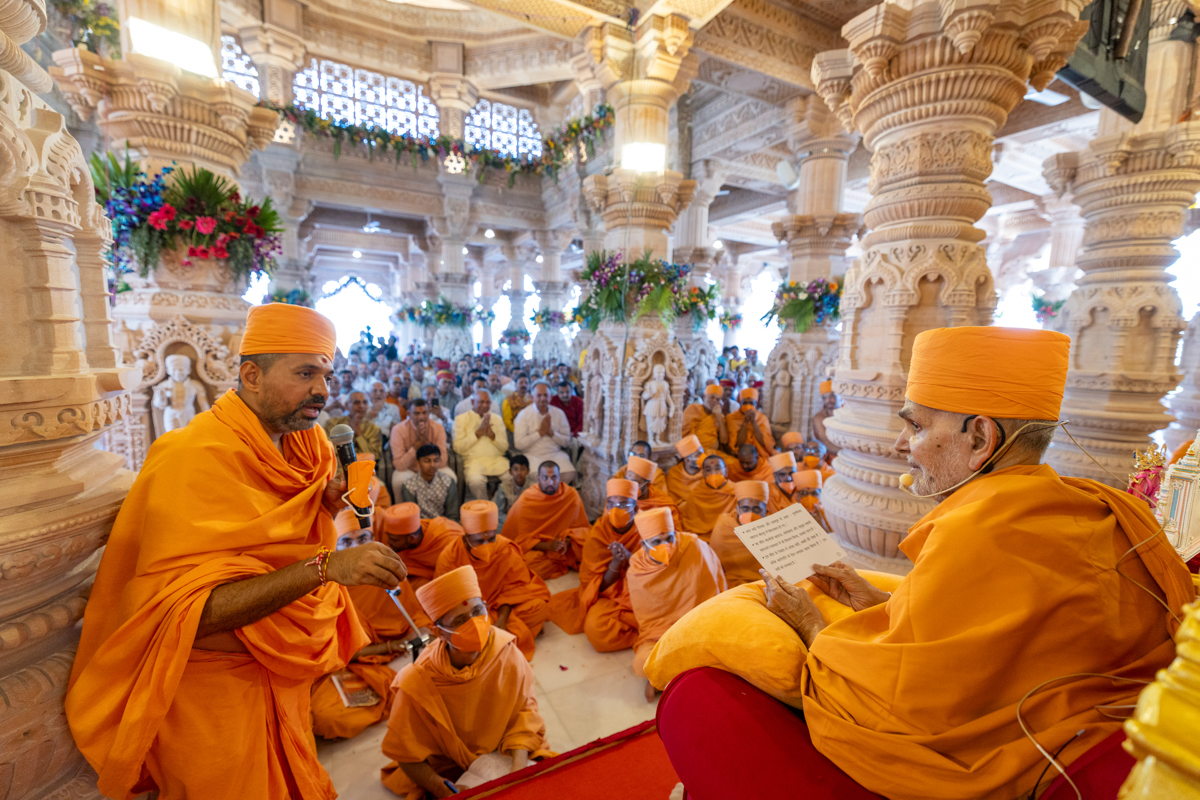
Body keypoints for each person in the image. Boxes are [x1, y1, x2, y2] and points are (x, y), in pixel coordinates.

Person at [668, 326, 1196, 800]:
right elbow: (992, 634)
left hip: (1038, 759)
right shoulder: (1099, 504)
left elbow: (891, 707)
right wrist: (883, 602)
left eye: (916, 427)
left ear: (981, 440)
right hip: (1121, 729)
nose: (901, 445)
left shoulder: (976, 530)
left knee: (700, 700)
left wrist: (809, 625)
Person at [65, 303, 409, 799]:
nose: (323, 391)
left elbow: (278, 543)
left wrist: (324, 506)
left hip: (280, 674)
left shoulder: (307, 447)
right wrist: (326, 568)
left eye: (327, 375)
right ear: (251, 374)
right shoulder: (190, 458)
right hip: (212, 688)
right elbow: (187, 616)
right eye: (306, 373)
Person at [381, 565, 553, 797]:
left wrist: (517, 774)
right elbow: (406, 754)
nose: (474, 623)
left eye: (477, 611)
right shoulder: (417, 680)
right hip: (451, 766)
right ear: (439, 632)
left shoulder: (506, 650)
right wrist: (443, 789)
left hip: (503, 754)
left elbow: (524, 716)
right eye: (460, 620)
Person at [311, 515, 431, 741]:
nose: (358, 549)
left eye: (364, 539)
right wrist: (389, 646)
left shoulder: (387, 574)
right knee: (324, 716)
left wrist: (422, 633)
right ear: (333, 547)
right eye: (347, 542)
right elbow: (335, 651)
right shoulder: (325, 589)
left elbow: (416, 616)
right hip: (349, 665)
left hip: (396, 658)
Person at [627, 507, 727, 702]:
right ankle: (685, 673)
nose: (666, 545)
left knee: (727, 645)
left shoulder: (693, 545)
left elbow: (715, 588)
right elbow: (649, 622)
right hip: (661, 634)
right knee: (642, 664)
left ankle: (669, 677)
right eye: (657, 541)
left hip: (700, 624)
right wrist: (672, 636)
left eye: (669, 538)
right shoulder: (637, 569)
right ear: (644, 544)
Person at [434, 501, 551, 660]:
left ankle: (495, 640)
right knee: (456, 632)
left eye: (490, 539)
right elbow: (447, 603)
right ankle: (503, 638)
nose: (486, 545)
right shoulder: (450, 557)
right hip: (470, 613)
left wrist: (502, 620)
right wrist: (479, 617)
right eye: (479, 541)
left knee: (538, 608)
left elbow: (513, 589)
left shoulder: (504, 548)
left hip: (502, 607)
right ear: (466, 537)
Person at [547, 479, 641, 652]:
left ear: (635, 509)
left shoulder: (646, 530)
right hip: (610, 597)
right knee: (597, 631)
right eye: (611, 504)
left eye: (622, 504)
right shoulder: (598, 534)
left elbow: (656, 575)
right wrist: (616, 563)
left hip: (641, 594)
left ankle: (647, 628)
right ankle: (642, 633)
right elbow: (596, 586)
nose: (615, 510)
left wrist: (631, 559)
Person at [499, 461, 590, 580]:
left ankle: (561, 559)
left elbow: (581, 529)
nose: (550, 482)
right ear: (538, 479)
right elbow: (521, 540)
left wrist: (566, 541)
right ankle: (559, 561)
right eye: (545, 478)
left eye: (554, 477)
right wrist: (550, 546)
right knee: (519, 565)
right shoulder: (527, 500)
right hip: (540, 548)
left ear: (560, 478)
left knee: (592, 549)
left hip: (565, 545)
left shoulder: (571, 495)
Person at [379, 502, 462, 591]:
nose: (388, 542)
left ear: (411, 538)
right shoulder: (406, 538)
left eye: (394, 540)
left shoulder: (448, 541)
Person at [708, 480, 771, 587]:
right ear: (737, 509)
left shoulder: (773, 526)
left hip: (765, 583)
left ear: (766, 511)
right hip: (729, 583)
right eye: (745, 509)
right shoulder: (723, 525)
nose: (750, 514)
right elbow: (714, 566)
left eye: (757, 509)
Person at [390, 398, 453, 499]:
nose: (421, 417)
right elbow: (399, 465)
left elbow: (443, 460)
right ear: (408, 413)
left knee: (450, 476)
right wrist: (417, 445)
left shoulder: (438, 428)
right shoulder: (398, 430)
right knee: (399, 480)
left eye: (424, 413)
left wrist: (427, 444)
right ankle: (404, 513)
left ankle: (447, 514)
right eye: (416, 413)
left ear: (429, 413)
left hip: (434, 468)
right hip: (409, 470)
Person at [513, 381, 575, 483]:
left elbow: (566, 441)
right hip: (533, 455)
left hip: (555, 454)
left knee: (569, 474)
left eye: (545, 395)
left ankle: (558, 498)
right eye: (539, 395)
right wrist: (540, 433)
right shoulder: (523, 415)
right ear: (532, 397)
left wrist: (551, 433)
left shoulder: (559, 413)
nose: (543, 398)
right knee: (539, 478)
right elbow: (518, 444)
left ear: (550, 396)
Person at [453, 389, 509, 501]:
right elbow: (457, 447)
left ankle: (496, 504)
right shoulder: (461, 419)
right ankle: (486, 507)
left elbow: (505, 447)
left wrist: (492, 436)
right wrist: (477, 434)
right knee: (476, 482)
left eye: (488, 402)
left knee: (512, 478)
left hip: (497, 461)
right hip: (474, 462)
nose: (485, 405)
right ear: (473, 401)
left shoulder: (497, 419)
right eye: (481, 402)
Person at [678, 454, 737, 540]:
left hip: (728, 537)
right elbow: (690, 525)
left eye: (717, 468)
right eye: (709, 470)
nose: (713, 473)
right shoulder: (697, 494)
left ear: (726, 471)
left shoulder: (736, 491)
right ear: (704, 474)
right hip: (702, 537)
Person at [400, 444, 461, 522]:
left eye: (436, 460)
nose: (432, 465)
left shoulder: (448, 482)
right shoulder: (409, 486)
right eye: (427, 461)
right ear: (418, 462)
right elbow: (411, 517)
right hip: (420, 526)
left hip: (444, 525)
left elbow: (452, 514)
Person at [624, 455, 683, 531]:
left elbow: (674, 534)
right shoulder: (619, 498)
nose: (630, 487)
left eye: (635, 483)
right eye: (627, 481)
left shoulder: (664, 504)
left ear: (647, 485)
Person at [727, 387, 775, 461]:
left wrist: (754, 423)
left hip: (759, 455)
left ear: (756, 404)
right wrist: (745, 422)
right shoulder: (732, 418)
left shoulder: (762, 418)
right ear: (740, 403)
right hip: (740, 455)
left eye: (751, 403)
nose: (748, 406)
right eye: (745, 403)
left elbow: (765, 443)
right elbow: (737, 444)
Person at [681, 384, 728, 458]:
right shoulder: (693, 409)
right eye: (712, 397)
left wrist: (719, 415)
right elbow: (683, 432)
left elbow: (724, 440)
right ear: (704, 398)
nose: (714, 401)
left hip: (713, 454)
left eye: (718, 399)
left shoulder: (719, 416)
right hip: (694, 453)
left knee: (735, 464)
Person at [493, 455, 531, 528]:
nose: (519, 472)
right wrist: (513, 520)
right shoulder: (504, 488)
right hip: (509, 520)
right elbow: (499, 513)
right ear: (510, 471)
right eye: (515, 469)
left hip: (528, 520)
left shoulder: (533, 487)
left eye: (523, 469)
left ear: (528, 471)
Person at [666, 435, 705, 503]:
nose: (703, 456)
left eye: (702, 452)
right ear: (687, 460)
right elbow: (674, 502)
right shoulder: (674, 474)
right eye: (698, 454)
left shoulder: (709, 469)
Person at [811, 379, 841, 459]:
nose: (828, 400)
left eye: (831, 396)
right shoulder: (819, 418)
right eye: (824, 397)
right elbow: (827, 444)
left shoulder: (847, 414)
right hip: (830, 457)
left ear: (840, 396)